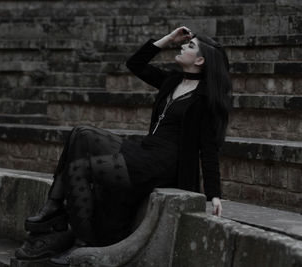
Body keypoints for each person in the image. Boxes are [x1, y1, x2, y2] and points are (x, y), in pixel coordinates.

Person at [14, 26, 233, 266]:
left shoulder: (205, 100)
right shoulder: (172, 81)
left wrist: (214, 195)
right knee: (81, 133)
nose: (182, 46)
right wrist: (167, 39)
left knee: (79, 167)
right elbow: (135, 64)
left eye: (189, 46)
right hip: (145, 151)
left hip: (163, 165)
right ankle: (55, 209)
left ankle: (81, 241)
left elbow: (209, 150)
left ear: (200, 60)